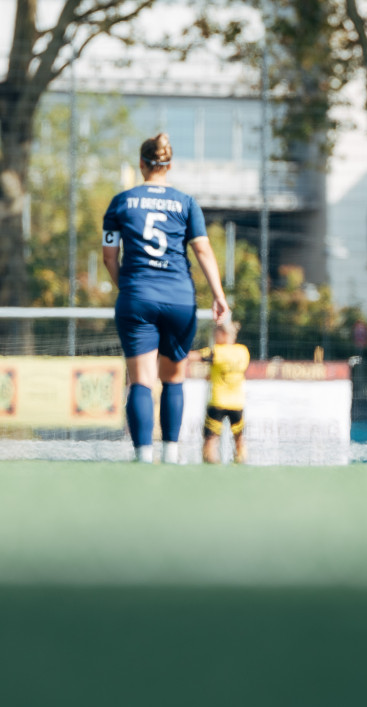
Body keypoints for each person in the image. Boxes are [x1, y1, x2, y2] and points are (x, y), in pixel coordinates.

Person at [102, 132, 229, 464]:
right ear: (169, 165)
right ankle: (171, 454)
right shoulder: (186, 203)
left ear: (141, 164)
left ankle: (143, 456)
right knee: (174, 378)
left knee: (141, 381)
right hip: (179, 299)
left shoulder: (121, 202)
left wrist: (127, 288)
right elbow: (203, 250)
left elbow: (109, 257)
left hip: (137, 297)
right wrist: (219, 296)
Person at [191, 315, 250, 464]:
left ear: (223, 334)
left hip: (218, 402)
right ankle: (241, 460)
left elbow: (195, 356)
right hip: (237, 403)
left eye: (215, 333)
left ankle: (211, 463)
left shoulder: (217, 351)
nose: (214, 336)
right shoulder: (243, 351)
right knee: (239, 437)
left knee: (211, 438)